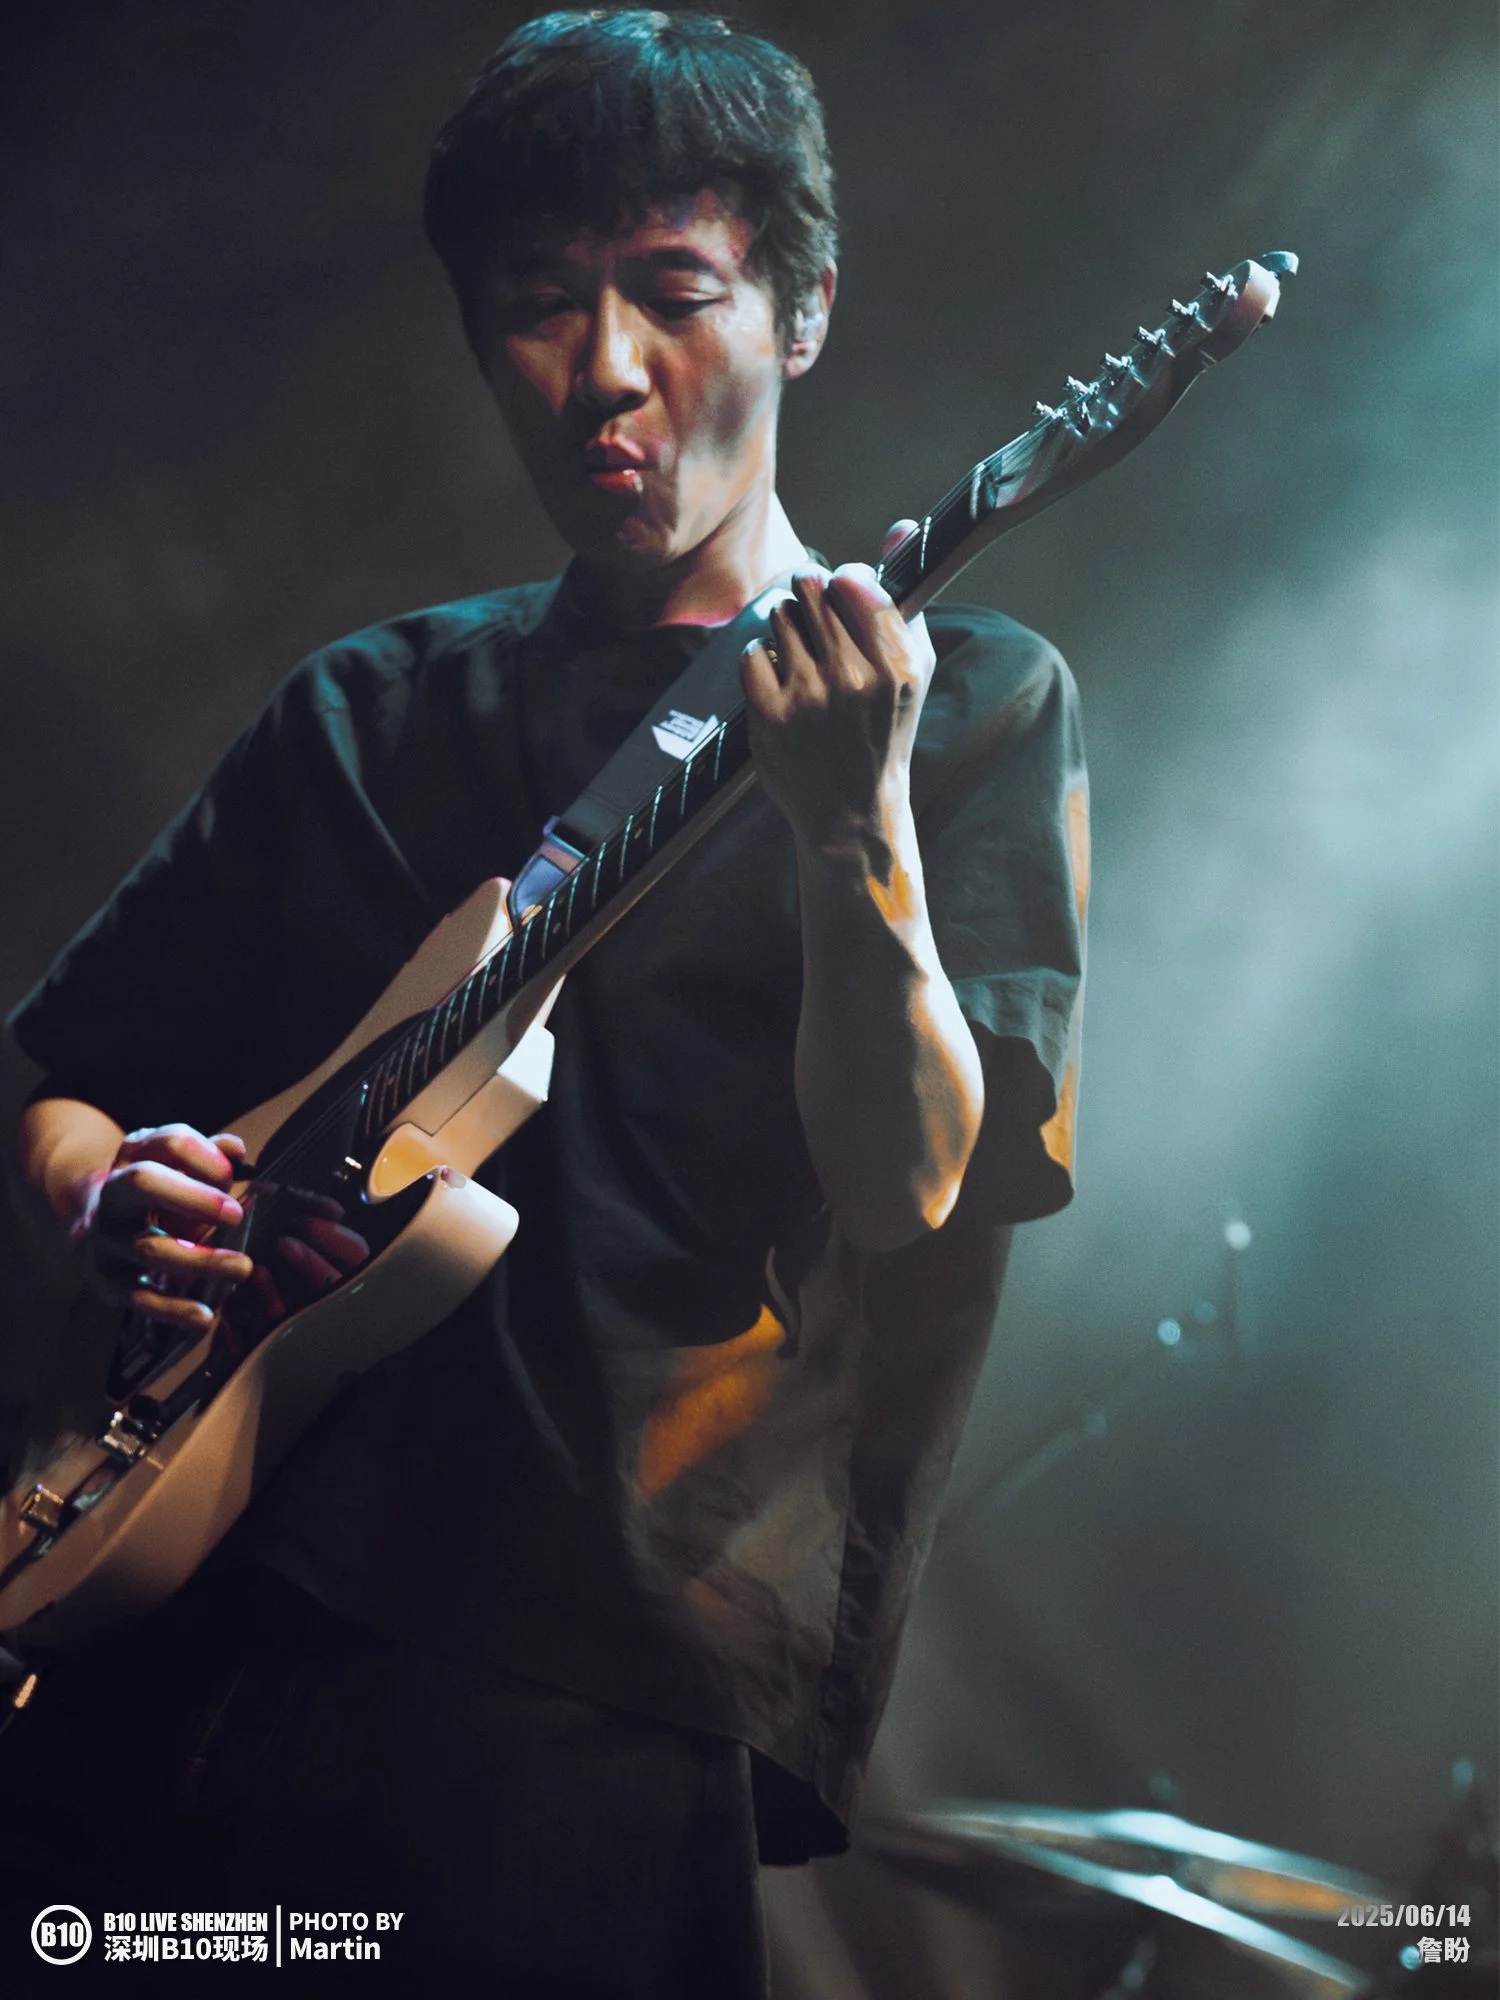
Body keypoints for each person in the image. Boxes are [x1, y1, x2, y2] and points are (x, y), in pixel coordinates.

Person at [1, 11, 1087, 1995]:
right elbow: (69, 1075)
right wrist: (101, 1192)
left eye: (674, 292)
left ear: (803, 311)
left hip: (585, 1666)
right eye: (536, 305)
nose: (603, 368)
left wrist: (855, 825)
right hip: (177, 1608)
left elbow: (910, 1180)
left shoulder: (969, 699)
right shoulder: (364, 708)